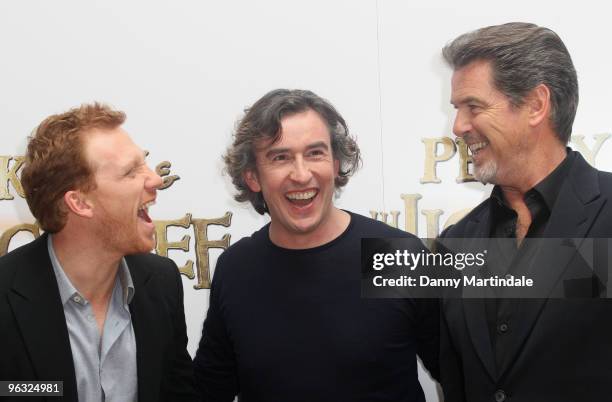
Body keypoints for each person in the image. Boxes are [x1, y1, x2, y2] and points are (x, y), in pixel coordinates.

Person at [194, 89, 439, 401]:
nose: (301, 174)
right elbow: (209, 389)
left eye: (315, 153)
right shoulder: (236, 267)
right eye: (280, 157)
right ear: (253, 177)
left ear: (336, 165)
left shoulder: (397, 255)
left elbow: (462, 374)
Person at [439, 22, 612, 402]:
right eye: (456, 109)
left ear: (536, 105)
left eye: (474, 106)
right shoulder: (455, 244)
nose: (458, 126)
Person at [0, 103, 197, 402]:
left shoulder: (161, 282)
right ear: (79, 203)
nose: (155, 180)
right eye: (131, 172)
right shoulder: (5, 297)